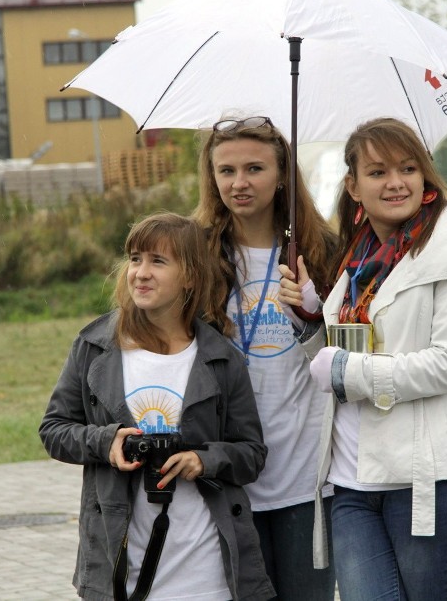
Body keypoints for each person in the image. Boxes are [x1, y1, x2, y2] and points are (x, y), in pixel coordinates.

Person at [279, 117, 447, 601]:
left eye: (408, 168)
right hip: (352, 481)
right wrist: (310, 319)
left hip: (431, 480)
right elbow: (342, 358)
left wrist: (344, 370)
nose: (395, 182)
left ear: (426, 178)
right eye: (377, 172)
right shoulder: (355, 259)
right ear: (353, 186)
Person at [39, 212, 274, 601]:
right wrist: (106, 442)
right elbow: (53, 429)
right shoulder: (94, 347)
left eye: (158, 261)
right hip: (119, 571)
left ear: (191, 276)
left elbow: (251, 453)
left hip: (206, 572)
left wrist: (204, 460)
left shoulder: (220, 358)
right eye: (135, 259)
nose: (141, 273)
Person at [192, 115, 337, 600]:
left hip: (306, 476)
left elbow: (353, 351)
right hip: (229, 473)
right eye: (226, 170)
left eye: (255, 168)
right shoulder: (197, 254)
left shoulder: (323, 250)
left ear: (282, 175)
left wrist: (312, 316)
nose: (239, 183)